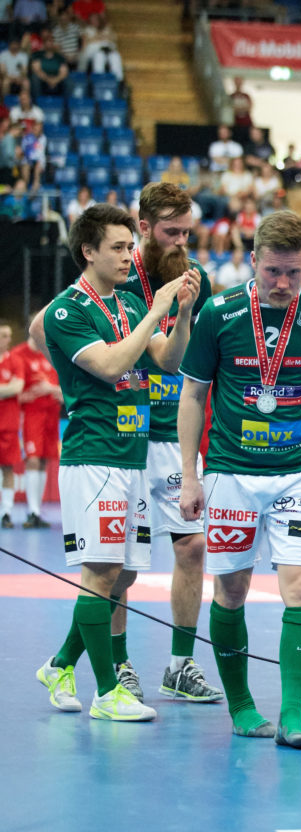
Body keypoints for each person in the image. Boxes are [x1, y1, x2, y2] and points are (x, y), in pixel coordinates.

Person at [177, 210, 301, 748]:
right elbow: (192, 395)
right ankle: (241, 705)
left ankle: (292, 717)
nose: (282, 285)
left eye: (294, 273)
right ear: (253, 260)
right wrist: (190, 476)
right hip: (232, 474)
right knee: (231, 589)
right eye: (272, 273)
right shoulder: (219, 312)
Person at [35, 203, 196, 722]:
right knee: (100, 572)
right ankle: (108, 692)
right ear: (88, 251)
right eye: (119, 248)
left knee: (121, 576)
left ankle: (60, 664)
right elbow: (108, 366)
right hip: (95, 456)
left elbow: (168, 360)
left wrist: (185, 311)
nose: (130, 256)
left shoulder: (126, 303)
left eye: (131, 246)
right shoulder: (67, 311)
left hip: (133, 457)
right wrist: (157, 309)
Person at [111, 182, 221, 701]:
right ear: (144, 225)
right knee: (120, 569)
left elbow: (181, 358)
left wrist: (186, 310)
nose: (180, 241)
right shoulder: (115, 274)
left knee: (193, 546)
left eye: (186, 231)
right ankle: (117, 665)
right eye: (170, 231)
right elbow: (46, 329)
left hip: (171, 434)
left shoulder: (189, 276)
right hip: (126, 436)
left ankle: (180, 663)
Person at [13, 318, 62, 528]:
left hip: (51, 416)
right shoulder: (19, 355)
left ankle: (37, 511)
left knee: (43, 461)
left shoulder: (51, 354)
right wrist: (27, 395)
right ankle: (32, 511)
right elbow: (15, 391)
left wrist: (51, 390)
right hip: (32, 417)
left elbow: (62, 388)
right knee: (33, 459)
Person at [0, 322, 25, 527]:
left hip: (8, 424)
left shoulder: (15, 360)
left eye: (8, 336)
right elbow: (10, 387)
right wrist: (6, 389)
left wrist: (8, 389)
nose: (7, 339)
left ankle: (6, 513)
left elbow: (18, 387)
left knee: (8, 469)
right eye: (3, 335)